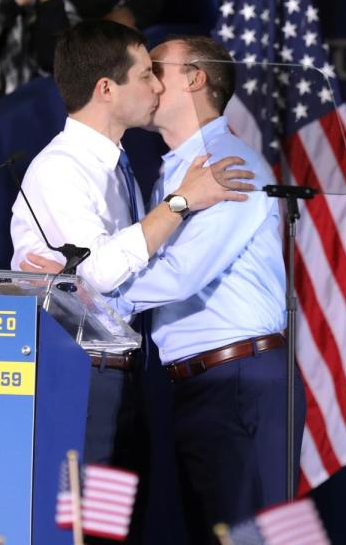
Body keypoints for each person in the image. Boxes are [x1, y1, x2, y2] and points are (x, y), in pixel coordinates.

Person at [56, 34, 305, 540]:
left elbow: (181, 273)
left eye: (155, 69)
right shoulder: (173, 172)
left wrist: (84, 289)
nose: (146, 83)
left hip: (240, 379)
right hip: (200, 384)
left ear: (195, 79)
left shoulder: (227, 166)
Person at [10, 20, 253, 473]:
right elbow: (100, 272)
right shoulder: (60, 169)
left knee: (121, 513)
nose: (157, 87)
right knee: (82, 512)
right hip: (78, 374)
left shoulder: (115, 165)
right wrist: (180, 202)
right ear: (106, 88)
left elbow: (113, 274)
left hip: (121, 375)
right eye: (145, 75)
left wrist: (84, 288)